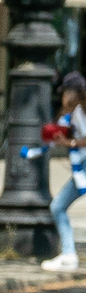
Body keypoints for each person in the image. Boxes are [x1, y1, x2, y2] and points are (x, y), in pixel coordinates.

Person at [43, 73, 86, 273]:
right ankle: (68, 254)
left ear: (76, 92)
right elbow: (62, 127)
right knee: (58, 207)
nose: (63, 96)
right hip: (82, 167)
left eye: (66, 92)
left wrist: (71, 143)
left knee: (58, 206)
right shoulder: (75, 111)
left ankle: (69, 255)